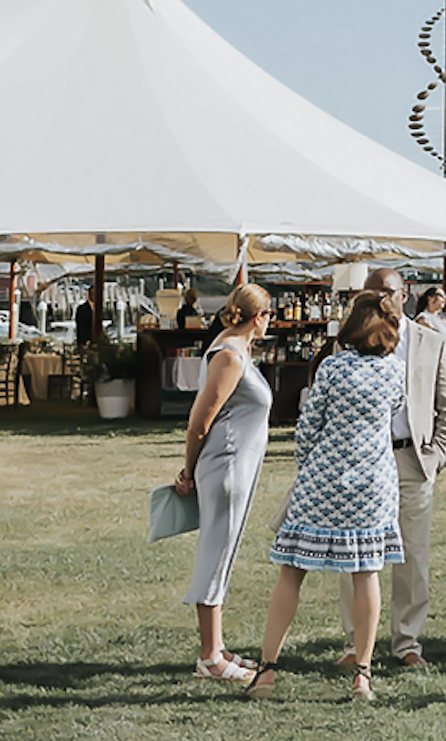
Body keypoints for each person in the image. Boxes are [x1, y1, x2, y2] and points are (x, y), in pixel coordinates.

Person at [248, 290, 406, 701]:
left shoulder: (333, 367)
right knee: (366, 572)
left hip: (323, 478)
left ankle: (266, 672)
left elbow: (308, 425)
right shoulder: (395, 371)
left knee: (291, 571)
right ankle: (363, 674)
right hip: (373, 482)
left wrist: (310, 464)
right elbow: (395, 410)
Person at [338, 268, 446, 671]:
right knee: (356, 553)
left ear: (403, 295)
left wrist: (437, 453)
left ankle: (407, 642)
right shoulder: (350, 344)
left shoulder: (432, 341)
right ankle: (357, 644)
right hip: (362, 460)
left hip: (412, 457)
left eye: (386, 293)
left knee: (413, 555)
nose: (380, 300)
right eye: (371, 294)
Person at [173, 283, 272, 681]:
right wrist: (188, 470)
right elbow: (200, 420)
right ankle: (209, 657)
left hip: (236, 467)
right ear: (258, 317)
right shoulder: (230, 355)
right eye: (269, 314)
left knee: (223, 555)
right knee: (215, 556)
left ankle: (217, 648)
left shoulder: (236, 349)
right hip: (226, 467)